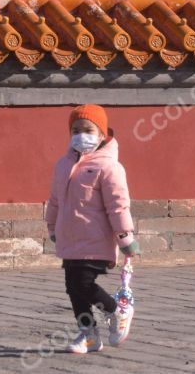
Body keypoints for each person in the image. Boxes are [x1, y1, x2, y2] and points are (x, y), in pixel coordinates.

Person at [45, 104, 141, 354]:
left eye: (88, 129)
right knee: (73, 287)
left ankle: (116, 311)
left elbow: (118, 205)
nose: (80, 135)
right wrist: (52, 226)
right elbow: (55, 199)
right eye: (75, 130)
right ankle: (88, 334)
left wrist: (125, 237)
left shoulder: (109, 167)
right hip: (70, 238)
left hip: (96, 239)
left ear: (101, 134)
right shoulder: (63, 165)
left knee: (83, 283)